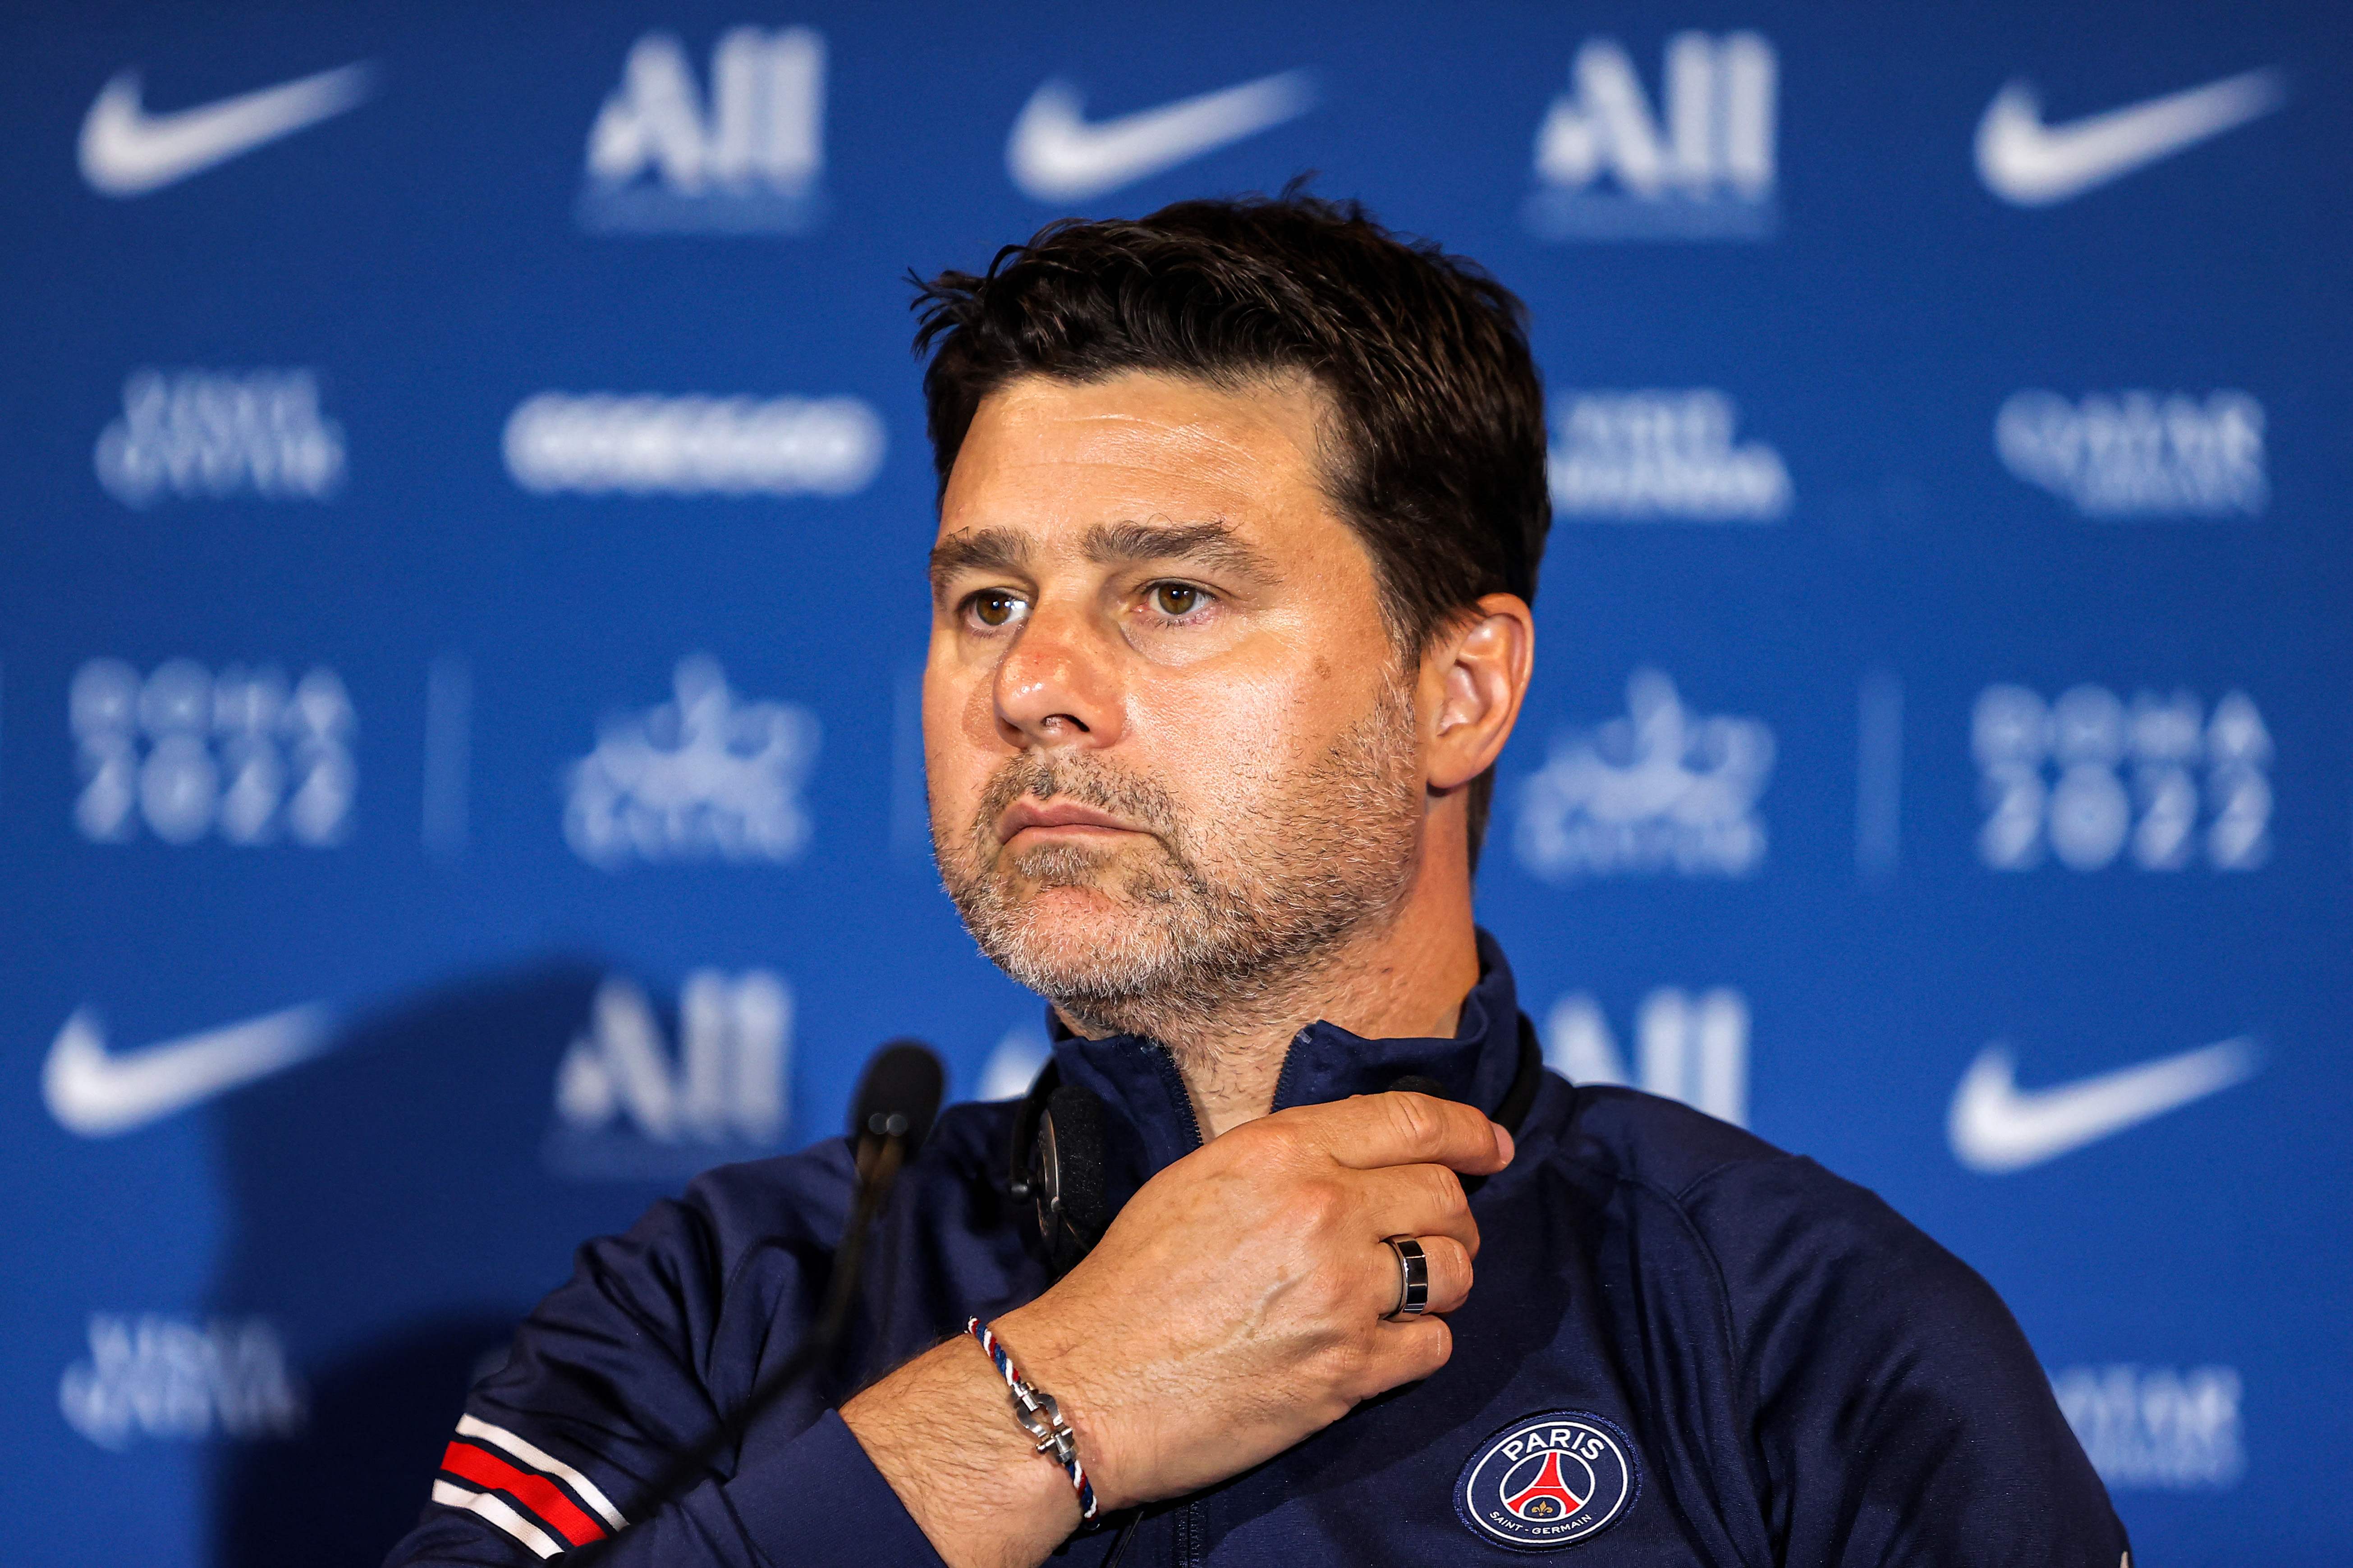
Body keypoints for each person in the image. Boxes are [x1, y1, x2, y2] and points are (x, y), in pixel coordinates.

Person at [385, 193, 2128, 1568]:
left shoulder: (1794, 1329)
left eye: (1171, 596)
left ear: (1461, 690)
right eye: (986, 600)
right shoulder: (729, 1300)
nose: (1032, 683)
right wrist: (1045, 1404)